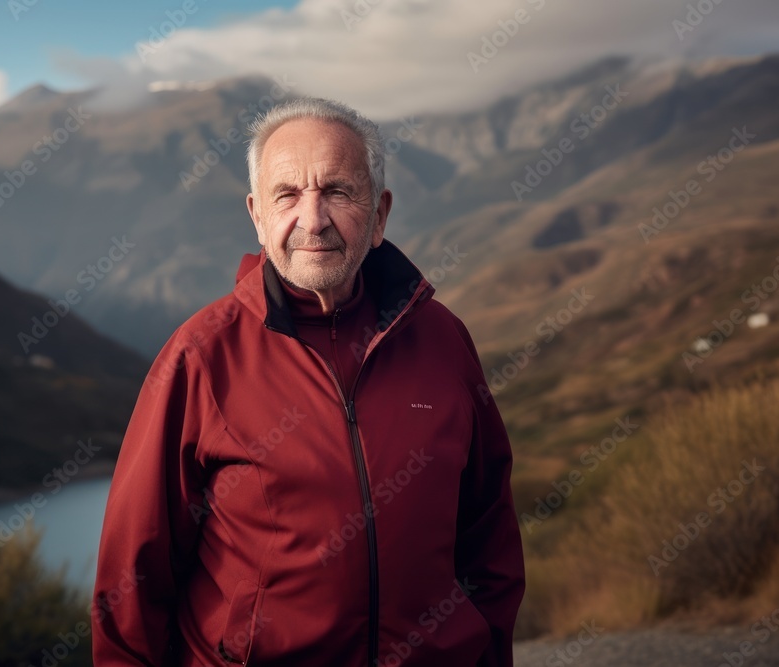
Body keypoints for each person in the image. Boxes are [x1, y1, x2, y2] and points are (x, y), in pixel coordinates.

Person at [92, 97, 525, 666]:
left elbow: (488, 534)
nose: (313, 219)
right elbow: (133, 577)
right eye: (287, 195)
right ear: (257, 214)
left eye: (338, 192)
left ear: (379, 215)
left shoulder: (443, 341)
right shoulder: (199, 357)